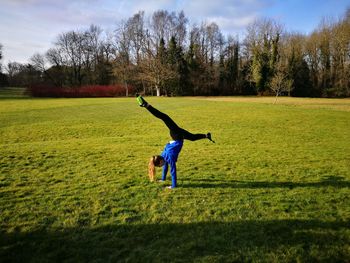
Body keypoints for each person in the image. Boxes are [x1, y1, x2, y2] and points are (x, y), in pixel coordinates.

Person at [136, 94, 214, 189]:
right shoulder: (163, 155)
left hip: (176, 135)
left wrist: (173, 186)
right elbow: (165, 166)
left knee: (164, 117)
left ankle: (146, 105)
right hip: (177, 136)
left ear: (160, 161)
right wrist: (163, 179)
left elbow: (173, 171)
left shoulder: (169, 157)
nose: (161, 167)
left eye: (159, 166)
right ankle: (206, 135)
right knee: (192, 137)